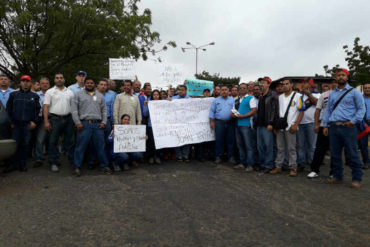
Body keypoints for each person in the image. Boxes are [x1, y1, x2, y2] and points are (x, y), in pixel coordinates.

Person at [323, 68, 365, 188]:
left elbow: (361, 109)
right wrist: (325, 125)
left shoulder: (354, 92)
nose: (340, 77)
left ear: (347, 77)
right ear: (336, 78)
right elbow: (328, 110)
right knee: (335, 154)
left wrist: (353, 121)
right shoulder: (333, 94)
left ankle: (357, 178)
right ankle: (337, 176)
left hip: (348, 127)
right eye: (338, 75)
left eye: (343, 75)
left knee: (352, 153)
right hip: (334, 127)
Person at [71, 77, 112, 176]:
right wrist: (77, 122)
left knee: (100, 146)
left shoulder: (99, 95)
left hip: (98, 125)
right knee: (80, 146)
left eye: (92, 83)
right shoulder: (78, 95)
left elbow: (104, 110)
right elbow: (74, 110)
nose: (90, 84)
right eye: (88, 83)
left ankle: (104, 166)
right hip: (84, 124)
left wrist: (103, 122)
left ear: (95, 85)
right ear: (85, 84)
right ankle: (77, 167)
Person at [5, 75, 41, 172]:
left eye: (27, 81)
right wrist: (11, 122)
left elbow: (39, 111)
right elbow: (8, 110)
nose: (25, 83)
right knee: (14, 145)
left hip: (27, 125)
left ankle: (22, 164)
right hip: (15, 124)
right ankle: (13, 164)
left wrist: (34, 122)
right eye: (23, 81)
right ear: (20, 82)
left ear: (30, 83)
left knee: (25, 145)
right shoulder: (13, 95)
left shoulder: (35, 96)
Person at [270, 79, 303, 176]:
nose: (285, 86)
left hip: (291, 126)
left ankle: (293, 168)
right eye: (283, 84)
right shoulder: (279, 97)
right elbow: (277, 113)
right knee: (280, 148)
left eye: (287, 84)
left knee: (291, 148)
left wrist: (296, 125)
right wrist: (276, 126)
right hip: (280, 126)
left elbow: (301, 111)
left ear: (291, 85)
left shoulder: (297, 96)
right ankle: (278, 166)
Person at [43, 73, 75, 172]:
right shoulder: (50, 92)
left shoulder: (70, 92)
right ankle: (53, 162)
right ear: (54, 80)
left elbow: (73, 107)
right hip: (55, 119)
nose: (59, 79)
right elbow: (46, 107)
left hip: (69, 119)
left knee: (70, 142)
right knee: (53, 141)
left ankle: (72, 161)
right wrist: (46, 122)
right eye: (57, 78)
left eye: (61, 78)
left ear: (64, 80)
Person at [307, 79, 338, 178]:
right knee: (319, 149)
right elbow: (317, 110)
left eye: (337, 82)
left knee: (335, 150)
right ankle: (314, 170)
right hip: (324, 125)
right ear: (331, 84)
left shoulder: (345, 94)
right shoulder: (324, 95)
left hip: (338, 125)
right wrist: (316, 124)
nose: (335, 84)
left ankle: (334, 172)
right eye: (333, 82)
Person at [255, 77, 279, 173]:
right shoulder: (261, 96)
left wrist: (271, 123)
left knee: (269, 146)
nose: (261, 84)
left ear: (269, 84)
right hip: (259, 125)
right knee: (260, 146)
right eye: (261, 82)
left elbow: (275, 111)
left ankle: (269, 165)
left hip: (267, 125)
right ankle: (262, 164)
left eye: (264, 82)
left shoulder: (273, 95)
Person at [297, 78, 321, 171]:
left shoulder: (318, 94)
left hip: (311, 122)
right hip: (300, 123)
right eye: (302, 83)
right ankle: (301, 163)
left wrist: (308, 94)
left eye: (305, 83)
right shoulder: (298, 95)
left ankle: (312, 163)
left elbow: (317, 103)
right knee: (301, 145)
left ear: (310, 85)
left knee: (312, 145)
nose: (302, 84)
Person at [232, 83, 257, 171]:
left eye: (244, 88)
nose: (242, 89)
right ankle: (242, 163)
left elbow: (254, 110)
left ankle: (250, 165)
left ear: (247, 89)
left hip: (246, 125)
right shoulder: (236, 100)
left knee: (249, 146)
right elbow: (233, 111)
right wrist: (232, 115)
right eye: (240, 88)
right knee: (240, 145)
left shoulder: (251, 98)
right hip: (237, 124)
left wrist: (244, 116)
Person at [209, 85, 236, 164]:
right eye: (222, 90)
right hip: (219, 123)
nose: (224, 91)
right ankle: (218, 156)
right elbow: (212, 111)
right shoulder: (215, 100)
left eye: (226, 90)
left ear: (228, 91)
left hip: (230, 122)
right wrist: (211, 122)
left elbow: (235, 110)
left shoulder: (232, 100)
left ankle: (231, 157)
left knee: (230, 141)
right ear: (220, 91)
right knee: (219, 140)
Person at [33, 77, 50, 167]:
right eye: (42, 83)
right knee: (40, 140)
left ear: (49, 84)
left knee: (52, 140)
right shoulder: (36, 95)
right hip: (41, 119)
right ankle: (38, 158)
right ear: (40, 84)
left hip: (53, 118)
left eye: (46, 83)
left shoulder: (53, 93)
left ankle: (54, 158)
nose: (44, 85)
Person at [172, 85, 191, 161]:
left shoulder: (190, 99)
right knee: (177, 138)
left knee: (186, 138)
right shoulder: (174, 98)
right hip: (176, 123)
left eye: (182, 90)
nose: (180, 91)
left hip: (187, 123)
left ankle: (186, 155)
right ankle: (179, 155)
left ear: (186, 91)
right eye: (179, 90)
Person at [142, 90, 161, 164]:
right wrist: (145, 106)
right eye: (154, 95)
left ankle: (157, 156)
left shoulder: (163, 103)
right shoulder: (149, 103)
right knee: (151, 143)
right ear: (152, 96)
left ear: (159, 96)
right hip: (151, 126)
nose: (156, 96)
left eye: (157, 94)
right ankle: (151, 157)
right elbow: (145, 114)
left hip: (160, 126)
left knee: (159, 143)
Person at [358, 82, 370, 169]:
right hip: (363, 123)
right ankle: (366, 162)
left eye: (369, 88)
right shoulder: (359, 99)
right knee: (363, 144)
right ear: (363, 89)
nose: (367, 89)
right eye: (365, 88)